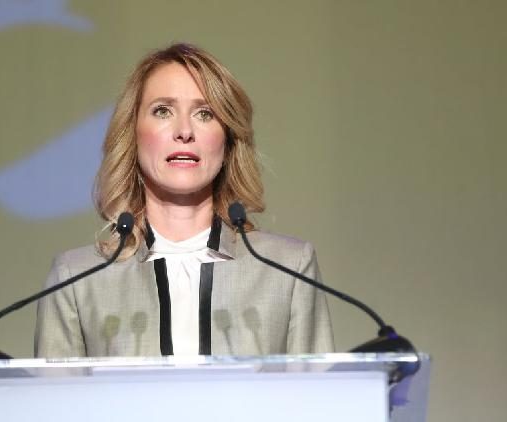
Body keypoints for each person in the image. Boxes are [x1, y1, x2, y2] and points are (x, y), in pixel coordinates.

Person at [35, 43, 333, 358]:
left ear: (228, 140)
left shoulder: (288, 269)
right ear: (133, 134)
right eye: (163, 111)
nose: (184, 132)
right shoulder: (77, 280)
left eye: (205, 114)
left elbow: (320, 389)